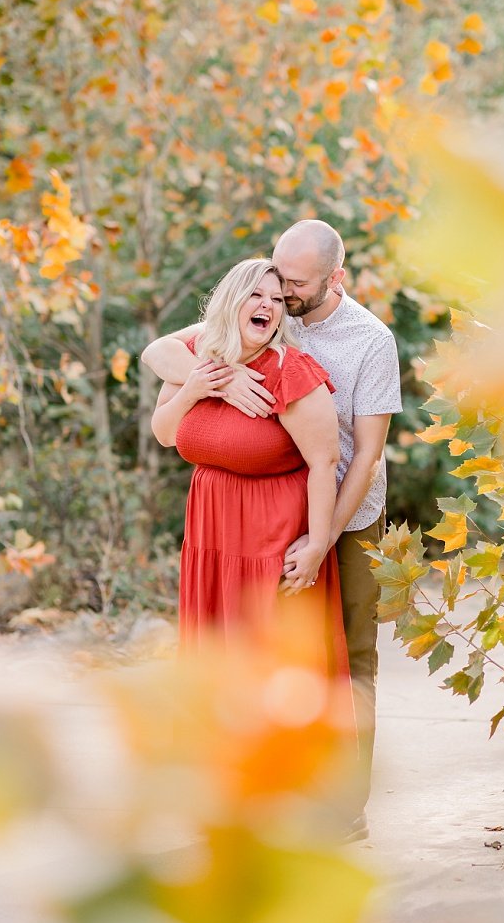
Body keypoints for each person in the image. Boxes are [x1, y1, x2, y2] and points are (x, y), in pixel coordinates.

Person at [143, 220, 403, 840]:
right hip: (235, 527)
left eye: (293, 284)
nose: (281, 293)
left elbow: (360, 458)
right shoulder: (253, 332)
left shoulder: (368, 341)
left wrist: (322, 539)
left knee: (343, 664)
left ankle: (342, 806)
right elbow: (159, 353)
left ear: (333, 278)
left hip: (347, 514)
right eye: (273, 279)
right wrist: (225, 378)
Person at [150, 258, 347, 679]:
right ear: (231, 301)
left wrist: (317, 544)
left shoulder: (288, 370)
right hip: (211, 530)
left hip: (270, 536)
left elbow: (324, 462)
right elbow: (165, 434)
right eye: (256, 295)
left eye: (277, 299)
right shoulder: (199, 358)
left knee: (269, 665)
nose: (268, 306)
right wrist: (197, 388)